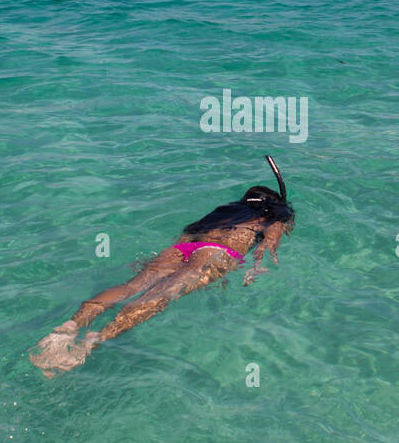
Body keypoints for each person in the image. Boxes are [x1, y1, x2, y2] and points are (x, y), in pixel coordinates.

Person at [29, 156, 295, 376]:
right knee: (160, 295)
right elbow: (268, 244)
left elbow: (188, 234)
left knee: (131, 286)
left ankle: (68, 328)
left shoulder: (225, 209)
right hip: (218, 253)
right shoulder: (273, 216)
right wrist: (256, 265)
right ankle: (92, 342)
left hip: (183, 247)